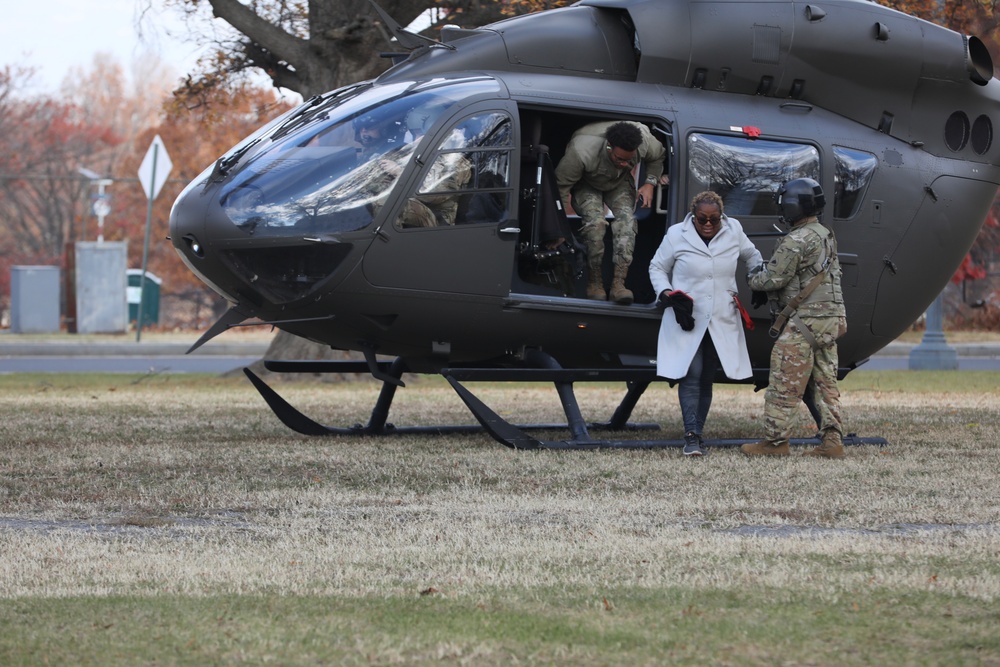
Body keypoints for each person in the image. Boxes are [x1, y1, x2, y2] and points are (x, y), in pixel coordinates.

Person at [649, 191, 763, 456]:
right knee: (692, 374)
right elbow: (656, 267)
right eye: (703, 220)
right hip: (686, 318)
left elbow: (753, 255)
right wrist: (668, 295)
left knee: (707, 378)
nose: (709, 224)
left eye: (714, 219)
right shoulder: (677, 234)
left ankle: (698, 434)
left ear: (722, 216)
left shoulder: (734, 229)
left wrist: (758, 281)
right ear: (693, 216)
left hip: (721, 318)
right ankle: (690, 436)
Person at [742, 177, 848, 458]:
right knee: (826, 383)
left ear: (791, 206)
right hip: (830, 320)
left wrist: (753, 278)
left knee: (784, 380)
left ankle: (775, 443)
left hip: (804, 322)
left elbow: (773, 278)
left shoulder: (797, 239)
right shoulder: (825, 234)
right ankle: (832, 442)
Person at [555, 120, 668, 304]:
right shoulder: (581, 151)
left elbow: (658, 156)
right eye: (619, 159)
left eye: (629, 160)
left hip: (619, 183)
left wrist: (650, 183)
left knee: (627, 222)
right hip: (587, 182)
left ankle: (618, 284)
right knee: (595, 224)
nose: (624, 163)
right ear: (609, 147)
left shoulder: (644, 141)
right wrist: (557, 228)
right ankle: (595, 282)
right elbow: (560, 187)